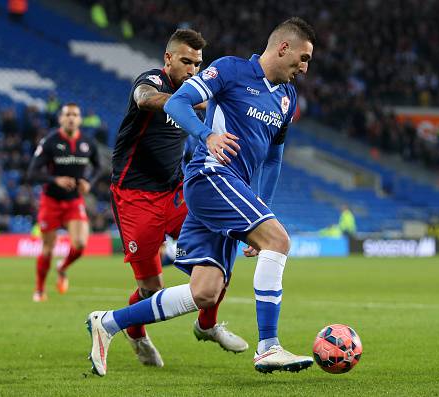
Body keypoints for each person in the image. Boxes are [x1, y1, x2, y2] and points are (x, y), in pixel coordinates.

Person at [86, 17, 316, 376]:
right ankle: (269, 346)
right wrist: (207, 135)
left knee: (205, 292)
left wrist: (262, 210)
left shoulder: (287, 98)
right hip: (210, 177)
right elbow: (177, 104)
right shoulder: (230, 70)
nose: (304, 68)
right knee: (279, 241)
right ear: (283, 47)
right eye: (302, 58)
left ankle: (108, 323)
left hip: (232, 188)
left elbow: (273, 158)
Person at [108, 29, 247, 368]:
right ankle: (136, 331)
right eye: (186, 61)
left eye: (198, 64)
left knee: (220, 245)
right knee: (151, 289)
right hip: (134, 197)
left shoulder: (196, 91)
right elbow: (143, 98)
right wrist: (181, 102)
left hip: (175, 191)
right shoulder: (152, 79)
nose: (192, 70)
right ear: (168, 58)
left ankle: (208, 324)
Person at [27, 103, 101, 302]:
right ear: (60, 118)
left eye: (75, 115)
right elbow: (32, 172)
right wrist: (55, 180)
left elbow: (98, 167)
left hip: (73, 200)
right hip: (50, 200)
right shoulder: (50, 142)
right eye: (67, 114)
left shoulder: (88, 143)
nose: (71, 118)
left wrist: (89, 182)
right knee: (48, 248)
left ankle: (62, 267)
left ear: (79, 119)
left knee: (80, 244)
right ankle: (40, 290)